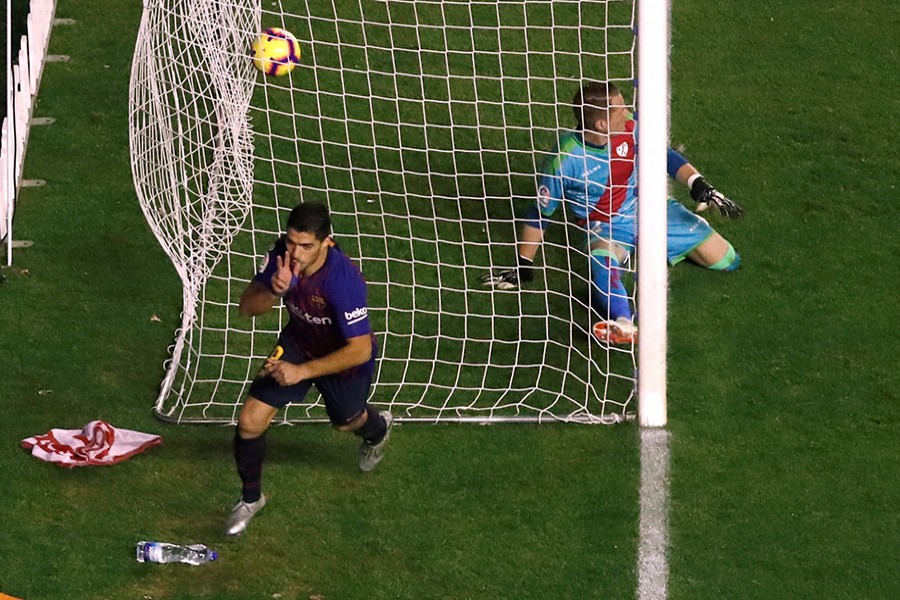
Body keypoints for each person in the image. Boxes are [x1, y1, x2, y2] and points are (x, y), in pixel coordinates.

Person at [482, 81, 744, 344]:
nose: (627, 112)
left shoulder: (628, 125)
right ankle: (624, 323)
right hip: (606, 226)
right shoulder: (564, 160)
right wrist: (523, 265)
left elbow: (663, 154)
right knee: (601, 263)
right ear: (601, 124)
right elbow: (540, 213)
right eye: (620, 109)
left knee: (727, 261)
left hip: (648, 207)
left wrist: (699, 185)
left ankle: (656, 244)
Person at [225, 201, 393, 536]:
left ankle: (378, 429)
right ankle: (251, 499)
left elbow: (360, 349)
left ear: (327, 242)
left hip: (342, 358)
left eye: (306, 246)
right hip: (299, 342)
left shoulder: (342, 281)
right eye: (291, 242)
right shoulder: (280, 258)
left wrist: (301, 372)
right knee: (249, 421)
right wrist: (274, 289)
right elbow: (247, 307)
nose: (296, 253)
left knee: (347, 422)